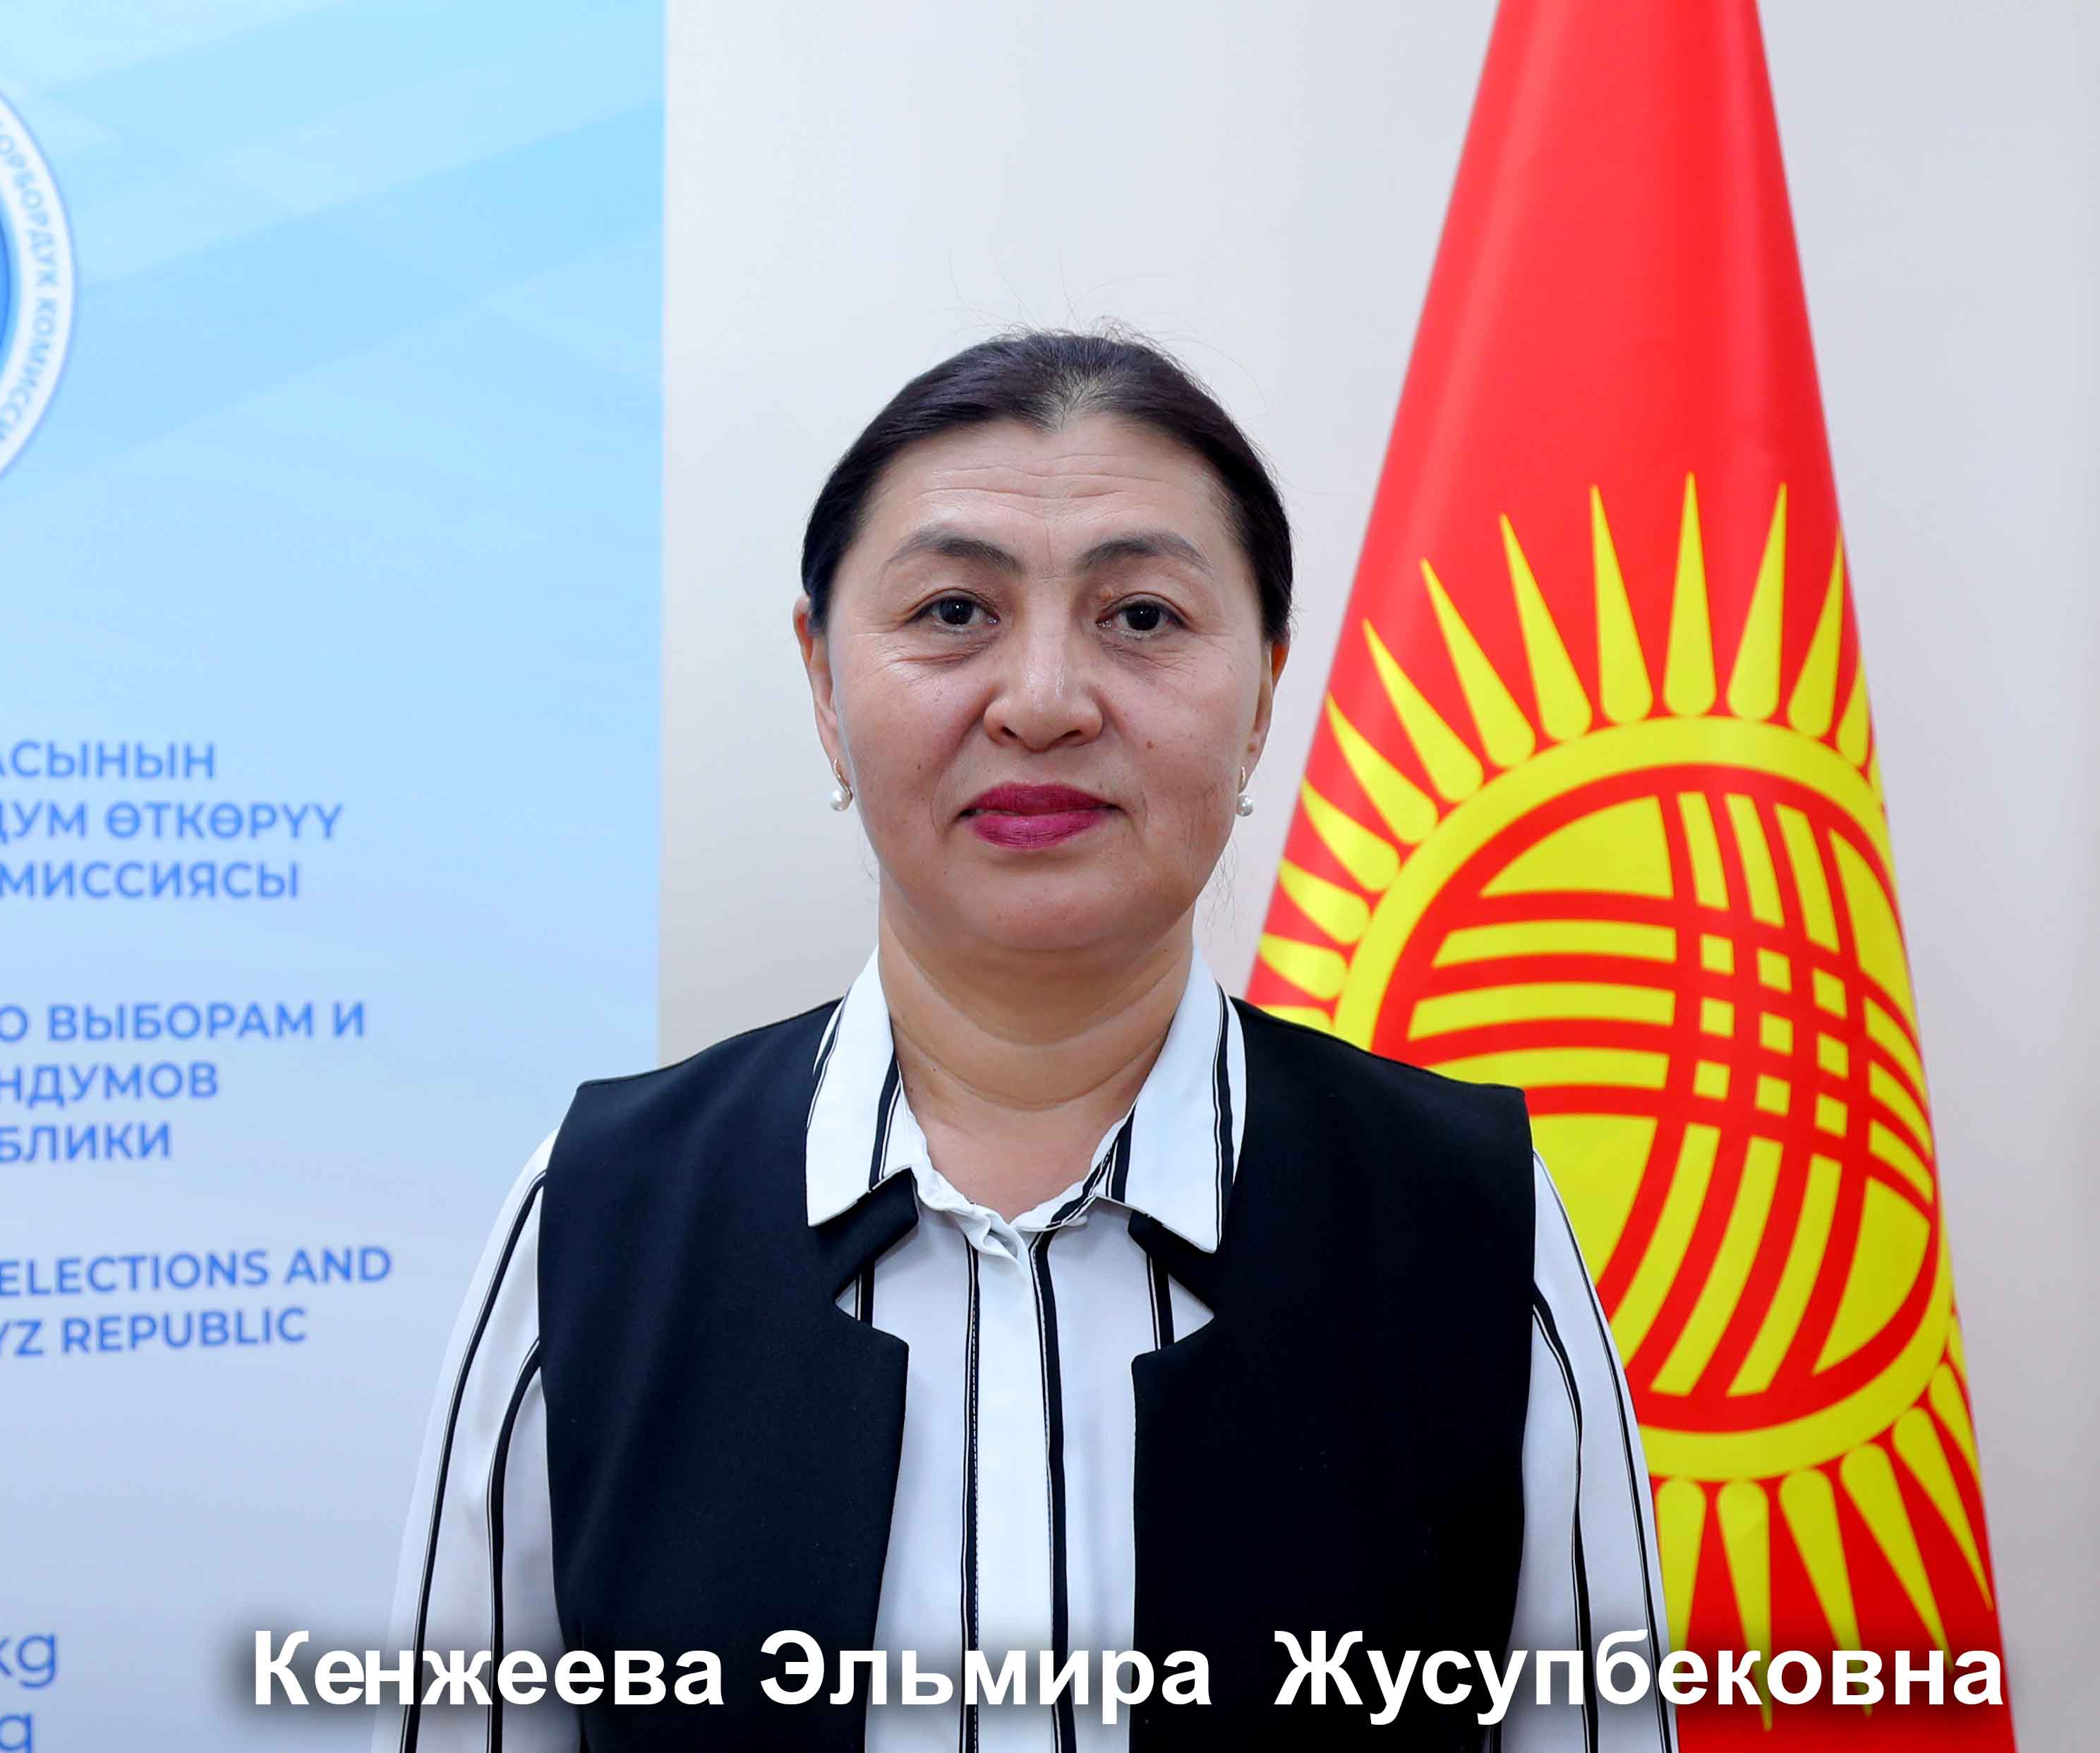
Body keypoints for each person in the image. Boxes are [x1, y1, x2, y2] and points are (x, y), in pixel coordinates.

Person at [374, 330, 1672, 1752]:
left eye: (1144, 618)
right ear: (823, 684)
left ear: (1262, 698)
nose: (1045, 701)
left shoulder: (1468, 1219)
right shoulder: (601, 1211)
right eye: (952, 611)